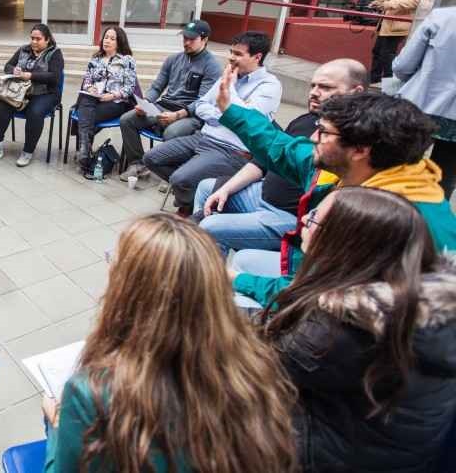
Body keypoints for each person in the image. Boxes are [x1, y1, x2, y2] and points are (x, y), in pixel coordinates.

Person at [43, 214, 297, 473]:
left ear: (129, 290)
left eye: (114, 263)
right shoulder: (256, 369)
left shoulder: (93, 393)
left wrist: (54, 427)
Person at [263, 187, 456, 472]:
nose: (304, 221)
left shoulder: (342, 332)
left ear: (346, 242)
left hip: (316, 458)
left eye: (315, 218)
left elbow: (254, 369)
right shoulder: (421, 309)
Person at [213, 85, 456, 310]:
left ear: (360, 150)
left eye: (323, 132)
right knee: (244, 260)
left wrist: (235, 281)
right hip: (316, 281)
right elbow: (282, 148)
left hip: (357, 330)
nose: (312, 138)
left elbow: (315, 297)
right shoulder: (353, 168)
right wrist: (232, 110)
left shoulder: (386, 221)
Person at [195, 58, 367, 254]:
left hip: (289, 216)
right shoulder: (306, 120)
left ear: (356, 92)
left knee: (210, 227)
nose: (314, 92)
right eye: (313, 85)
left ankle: (207, 276)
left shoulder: (353, 141)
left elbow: (286, 153)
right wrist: (226, 188)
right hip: (262, 194)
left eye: (325, 87)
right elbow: (272, 153)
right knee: (207, 188)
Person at [142, 31, 281, 214]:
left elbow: (246, 118)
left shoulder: (269, 85)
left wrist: (228, 88)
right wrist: (223, 113)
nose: (231, 58)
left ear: (257, 57)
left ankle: (191, 201)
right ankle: (193, 197)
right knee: (151, 158)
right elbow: (200, 105)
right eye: (231, 52)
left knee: (179, 178)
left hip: (232, 150)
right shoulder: (229, 75)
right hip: (203, 137)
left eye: (238, 54)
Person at [118, 19, 221, 182]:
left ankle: (171, 174)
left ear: (205, 39)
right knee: (127, 120)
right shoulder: (173, 59)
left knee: (172, 132)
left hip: (190, 114)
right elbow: (157, 87)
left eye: (191, 39)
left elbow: (203, 102)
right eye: (184, 38)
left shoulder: (212, 66)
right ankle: (138, 165)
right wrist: (144, 103)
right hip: (164, 106)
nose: (186, 42)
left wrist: (177, 115)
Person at [392, 5, 456, 200]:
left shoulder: (442, 17)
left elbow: (403, 66)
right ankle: (431, 220)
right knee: (444, 176)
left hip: (420, 104)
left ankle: (387, 215)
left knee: (400, 165)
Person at [0, 23, 65, 167]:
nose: (34, 42)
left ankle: (27, 152)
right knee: (3, 105)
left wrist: (31, 75)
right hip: (22, 91)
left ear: (47, 39)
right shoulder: (23, 50)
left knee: (35, 112)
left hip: (47, 93)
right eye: (32, 38)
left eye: (38, 39)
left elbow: (54, 77)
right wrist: (14, 71)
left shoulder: (55, 53)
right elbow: (7, 66)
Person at [71, 25, 136, 173]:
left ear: (119, 42)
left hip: (115, 102)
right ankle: (85, 151)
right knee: (86, 101)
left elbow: (130, 88)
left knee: (85, 114)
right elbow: (87, 79)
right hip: (94, 98)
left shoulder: (127, 60)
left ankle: (84, 150)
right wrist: (90, 88)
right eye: (106, 37)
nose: (107, 41)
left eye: (112, 39)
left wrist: (112, 95)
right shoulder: (96, 59)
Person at [367, 0, 431, 85]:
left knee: (387, 55)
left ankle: (389, 86)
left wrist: (387, 5)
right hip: (389, 20)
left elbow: (417, 1)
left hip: (400, 22)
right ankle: (374, 82)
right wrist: (382, 1)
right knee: (378, 52)